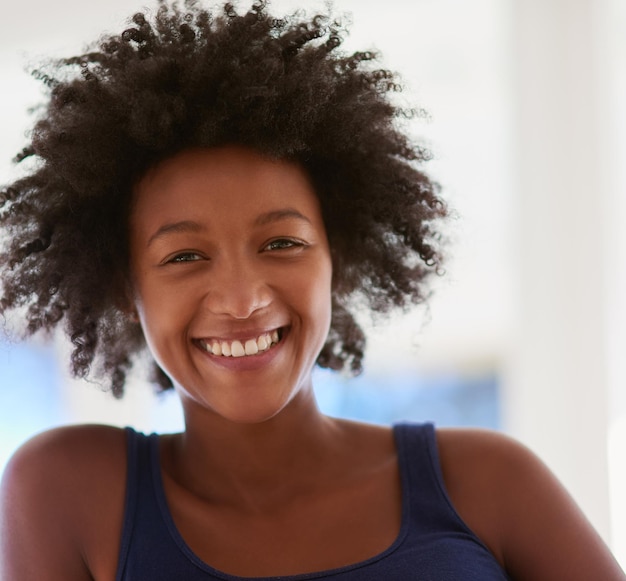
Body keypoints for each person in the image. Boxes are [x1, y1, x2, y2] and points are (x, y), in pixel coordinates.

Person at [0, 1, 624, 579]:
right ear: (120, 285)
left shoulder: (489, 482)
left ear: (339, 256)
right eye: (184, 255)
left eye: (282, 243)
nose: (242, 300)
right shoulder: (69, 491)